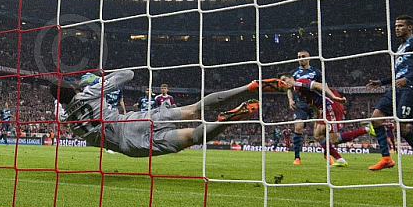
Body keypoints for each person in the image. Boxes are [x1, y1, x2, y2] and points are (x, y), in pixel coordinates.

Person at [49, 70, 287, 157]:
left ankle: (226, 120)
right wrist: (102, 79)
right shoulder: (91, 92)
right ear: (71, 88)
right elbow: (128, 75)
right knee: (194, 108)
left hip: (129, 146)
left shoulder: (66, 120)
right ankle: (248, 87)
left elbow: (62, 111)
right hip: (134, 121)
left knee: (192, 137)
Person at [366, 15, 413, 172]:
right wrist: (382, 82)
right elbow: (398, 73)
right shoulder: (401, 47)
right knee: (375, 118)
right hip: (396, 89)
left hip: (410, 90)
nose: (397, 28)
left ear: (410, 27)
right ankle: (386, 158)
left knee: (402, 129)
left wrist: (406, 79)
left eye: (401, 25)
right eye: (396, 25)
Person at [279, 73, 371, 166]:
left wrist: (334, 97)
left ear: (291, 78)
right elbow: (312, 103)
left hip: (330, 104)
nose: (283, 82)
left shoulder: (299, 83)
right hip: (324, 108)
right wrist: (317, 114)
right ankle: (340, 160)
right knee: (317, 135)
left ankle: (367, 129)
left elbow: (319, 85)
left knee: (334, 139)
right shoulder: (298, 92)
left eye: (284, 79)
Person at [287, 50, 322, 165]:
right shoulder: (293, 73)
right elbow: (289, 88)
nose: (301, 58)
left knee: (319, 132)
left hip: (314, 104)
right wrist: (290, 99)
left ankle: (328, 154)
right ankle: (297, 157)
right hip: (300, 104)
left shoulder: (316, 72)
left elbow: (323, 87)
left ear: (309, 58)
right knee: (298, 127)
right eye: (299, 57)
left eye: (303, 56)